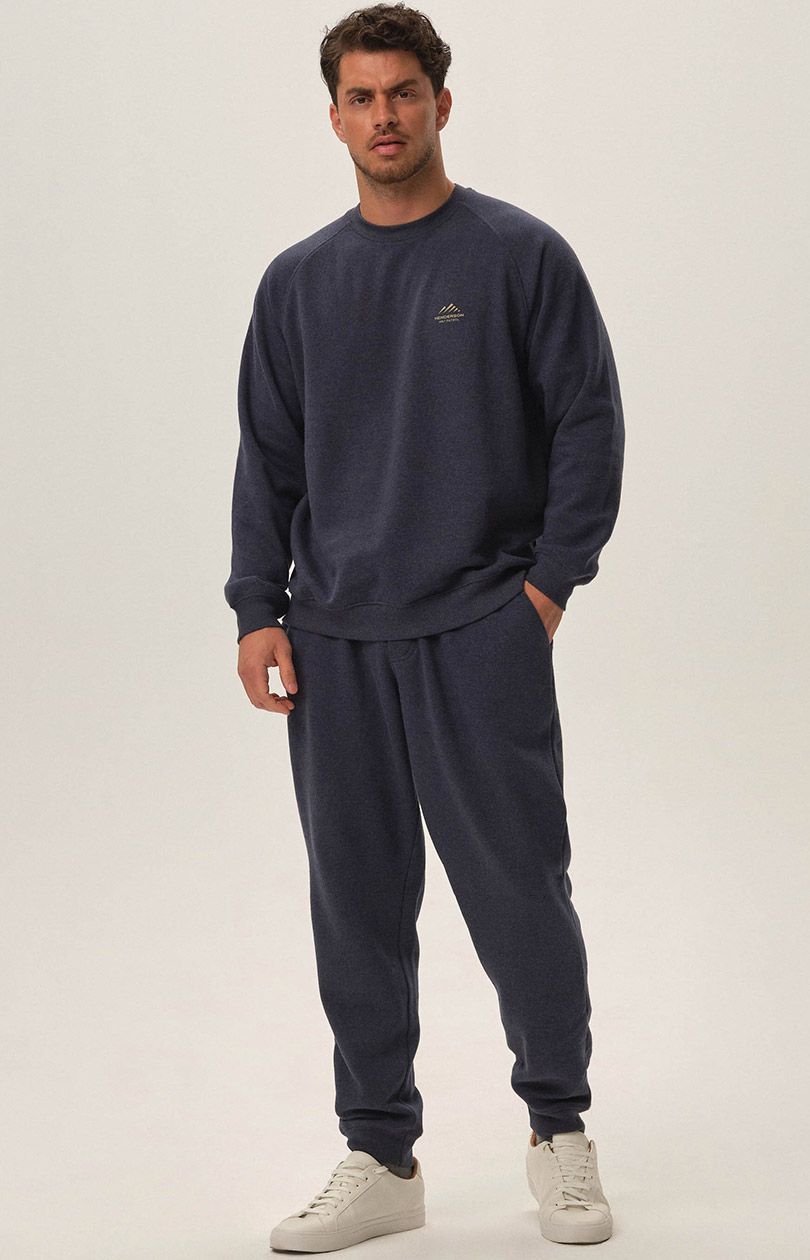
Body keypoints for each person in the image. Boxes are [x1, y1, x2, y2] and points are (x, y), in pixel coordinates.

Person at [224, 3, 624, 1250]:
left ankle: (558, 1130)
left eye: (404, 92)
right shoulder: (298, 282)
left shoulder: (520, 256)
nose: (384, 116)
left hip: (478, 630)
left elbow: (588, 425)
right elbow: (267, 459)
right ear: (334, 116)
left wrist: (545, 590)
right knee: (355, 905)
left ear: (442, 104)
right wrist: (257, 609)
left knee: (520, 894)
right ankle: (380, 1155)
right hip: (334, 643)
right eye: (361, 96)